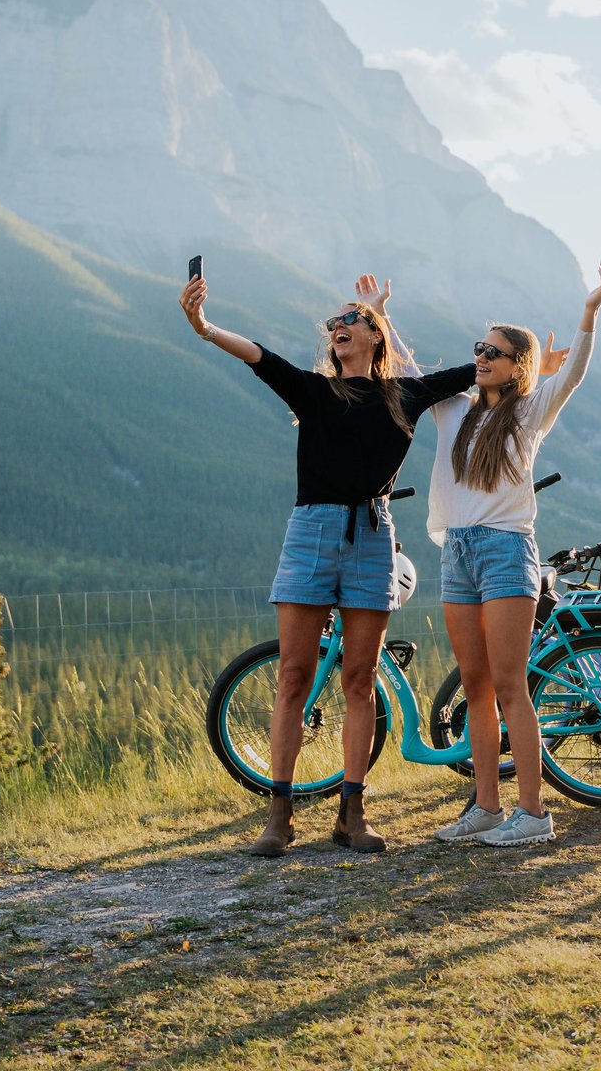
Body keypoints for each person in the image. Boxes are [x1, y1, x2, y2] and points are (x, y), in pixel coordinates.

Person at [179, 271, 475, 856]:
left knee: (359, 680)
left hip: (372, 535)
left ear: (375, 337)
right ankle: (279, 815)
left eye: (351, 321)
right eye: (334, 323)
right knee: (293, 676)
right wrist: (204, 327)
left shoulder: (403, 396)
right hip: (311, 531)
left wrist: (533, 365)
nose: (338, 327)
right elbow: (259, 357)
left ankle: (351, 813)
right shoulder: (314, 392)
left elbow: (475, 371)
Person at [425, 258, 601, 847]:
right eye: (478, 349)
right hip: (456, 552)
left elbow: (575, 375)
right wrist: (379, 317)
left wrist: (589, 311)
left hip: (507, 551)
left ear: (518, 366)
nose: (480, 358)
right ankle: (486, 807)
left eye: (493, 353)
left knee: (511, 684)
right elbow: (406, 374)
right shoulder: (453, 408)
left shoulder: (532, 411)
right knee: (475, 686)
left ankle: (532, 814)